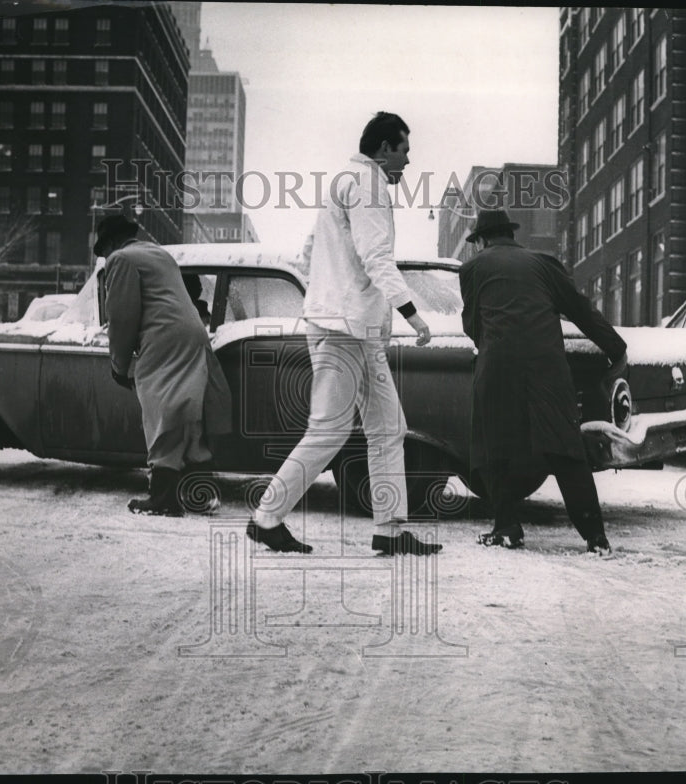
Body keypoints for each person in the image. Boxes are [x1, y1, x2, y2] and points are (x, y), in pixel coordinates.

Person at [246, 111, 440, 557]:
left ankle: (390, 530)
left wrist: (324, 298)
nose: (408, 162)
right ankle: (266, 516)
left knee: (389, 427)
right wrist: (414, 314)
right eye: (404, 150)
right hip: (345, 329)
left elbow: (309, 252)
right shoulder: (368, 185)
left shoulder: (342, 182)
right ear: (384, 148)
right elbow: (376, 257)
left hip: (349, 326)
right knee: (331, 430)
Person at [459, 209, 627, 556]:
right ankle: (596, 538)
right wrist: (617, 350)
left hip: (498, 368)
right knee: (566, 450)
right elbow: (582, 311)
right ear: (510, 234)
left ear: (483, 240)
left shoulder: (472, 269)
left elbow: (472, 326)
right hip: (547, 369)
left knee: (494, 449)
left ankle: (506, 528)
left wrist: (495, 339)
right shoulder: (544, 264)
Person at [96, 214, 231, 516]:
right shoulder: (159, 253)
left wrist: (118, 366)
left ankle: (163, 498)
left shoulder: (121, 259)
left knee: (162, 412)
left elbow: (121, 318)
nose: (104, 256)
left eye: (103, 249)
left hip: (163, 338)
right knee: (188, 413)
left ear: (112, 243)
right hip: (193, 335)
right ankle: (202, 494)